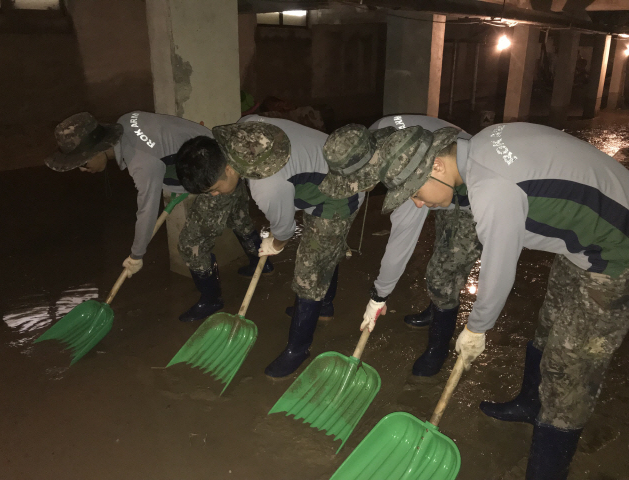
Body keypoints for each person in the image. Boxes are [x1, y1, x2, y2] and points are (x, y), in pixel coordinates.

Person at [373, 121, 629, 479]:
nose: (417, 202)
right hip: (582, 243)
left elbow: (499, 265)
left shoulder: (491, 187)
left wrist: (476, 328)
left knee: (570, 369)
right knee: (549, 326)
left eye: (415, 192)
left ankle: (546, 470)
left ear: (436, 165)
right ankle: (529, 403)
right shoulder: (476, 150)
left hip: (617, 250)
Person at [175, 116, 364, 378]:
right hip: (320, 174)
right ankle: (324, 307)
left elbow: (285, 231)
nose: (214, 196)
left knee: (310, 272)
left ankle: (297, 350)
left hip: (342, 189)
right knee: (324, 253)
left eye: (214, 189)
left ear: (228, 169)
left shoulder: (266, 186)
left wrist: (273, 244)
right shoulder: (243, 131)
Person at [44, 111, 272, 323]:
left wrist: (136, 254)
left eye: (82, 164)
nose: (83, 170)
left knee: (191, 244)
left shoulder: (141, 163)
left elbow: (146, 209)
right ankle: (261, 262)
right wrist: (176, 183)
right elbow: (168, 144)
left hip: (214, 175)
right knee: (238, 217)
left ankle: (211, 300)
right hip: (224, 159)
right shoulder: (125, 121)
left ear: (96, 151)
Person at [321, 114, 478, 377]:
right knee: (443, 246)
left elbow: (403, 237)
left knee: (444, 272)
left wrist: (380, 294)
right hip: (443, 173)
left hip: (469, 190)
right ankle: (436, 308)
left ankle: (438, 348)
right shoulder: (373, 137)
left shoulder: (405, 168)